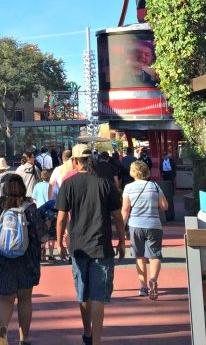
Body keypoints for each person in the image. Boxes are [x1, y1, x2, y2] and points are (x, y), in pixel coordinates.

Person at [56, 145, 126, 345]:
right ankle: (96, 340)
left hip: (78, 246)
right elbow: (117, 217)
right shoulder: (104, 184)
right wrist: (121, 241)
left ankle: (87, 330)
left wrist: (60, 242)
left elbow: (61, 218)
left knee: (83, 292)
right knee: (98, 297)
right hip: (101, 245)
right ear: (91, 161)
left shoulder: (68, 185)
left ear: (75, 161)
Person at [0, 175, 44, 345]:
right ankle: (24, 338)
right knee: (25, 298)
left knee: (5, 298)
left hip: (3, 259)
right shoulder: (30, 207)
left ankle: (3, 329)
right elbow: (41, 235)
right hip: (27, 259)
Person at [121, 161, 168, 300]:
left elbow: (125, 209)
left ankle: (143, 286)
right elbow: (165, 206)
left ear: (133, 172)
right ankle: (153, 279)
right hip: (154, 224)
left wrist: (121, 227)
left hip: (135, 225)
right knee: (155, 256)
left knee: (139, 256)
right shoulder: (155, 186)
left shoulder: (128, 188)